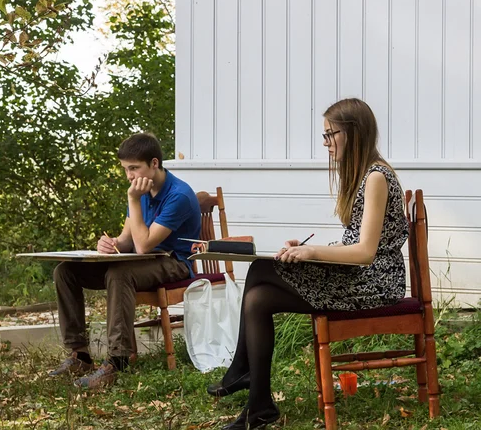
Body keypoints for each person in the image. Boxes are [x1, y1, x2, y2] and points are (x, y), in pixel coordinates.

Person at [207, 98, 409, 429]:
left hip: (375, 283)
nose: (327, 143)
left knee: (260, 269)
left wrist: (312, 253)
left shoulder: (376, 176)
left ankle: (242, 374)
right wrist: (304, 249)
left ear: (353, 133)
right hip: (360, 277)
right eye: (325, 135)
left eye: (332, 134)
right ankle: (258, 404)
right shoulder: (361, 175)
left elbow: (365, 252)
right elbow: (351, 243)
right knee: (258, 298)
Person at [50, 132, 201, 389]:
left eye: (134, 168)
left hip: (174, 263)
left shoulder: (179, 195)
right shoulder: (141, 190)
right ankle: (80, 355)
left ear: (154, 163)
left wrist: (132, 199)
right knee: (65, 271)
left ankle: (117, 361)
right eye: (125, 169)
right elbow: (128, 240)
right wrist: (111, 244)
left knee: (119, 274)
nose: (129, 176)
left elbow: (143, 246)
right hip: (145, 262)